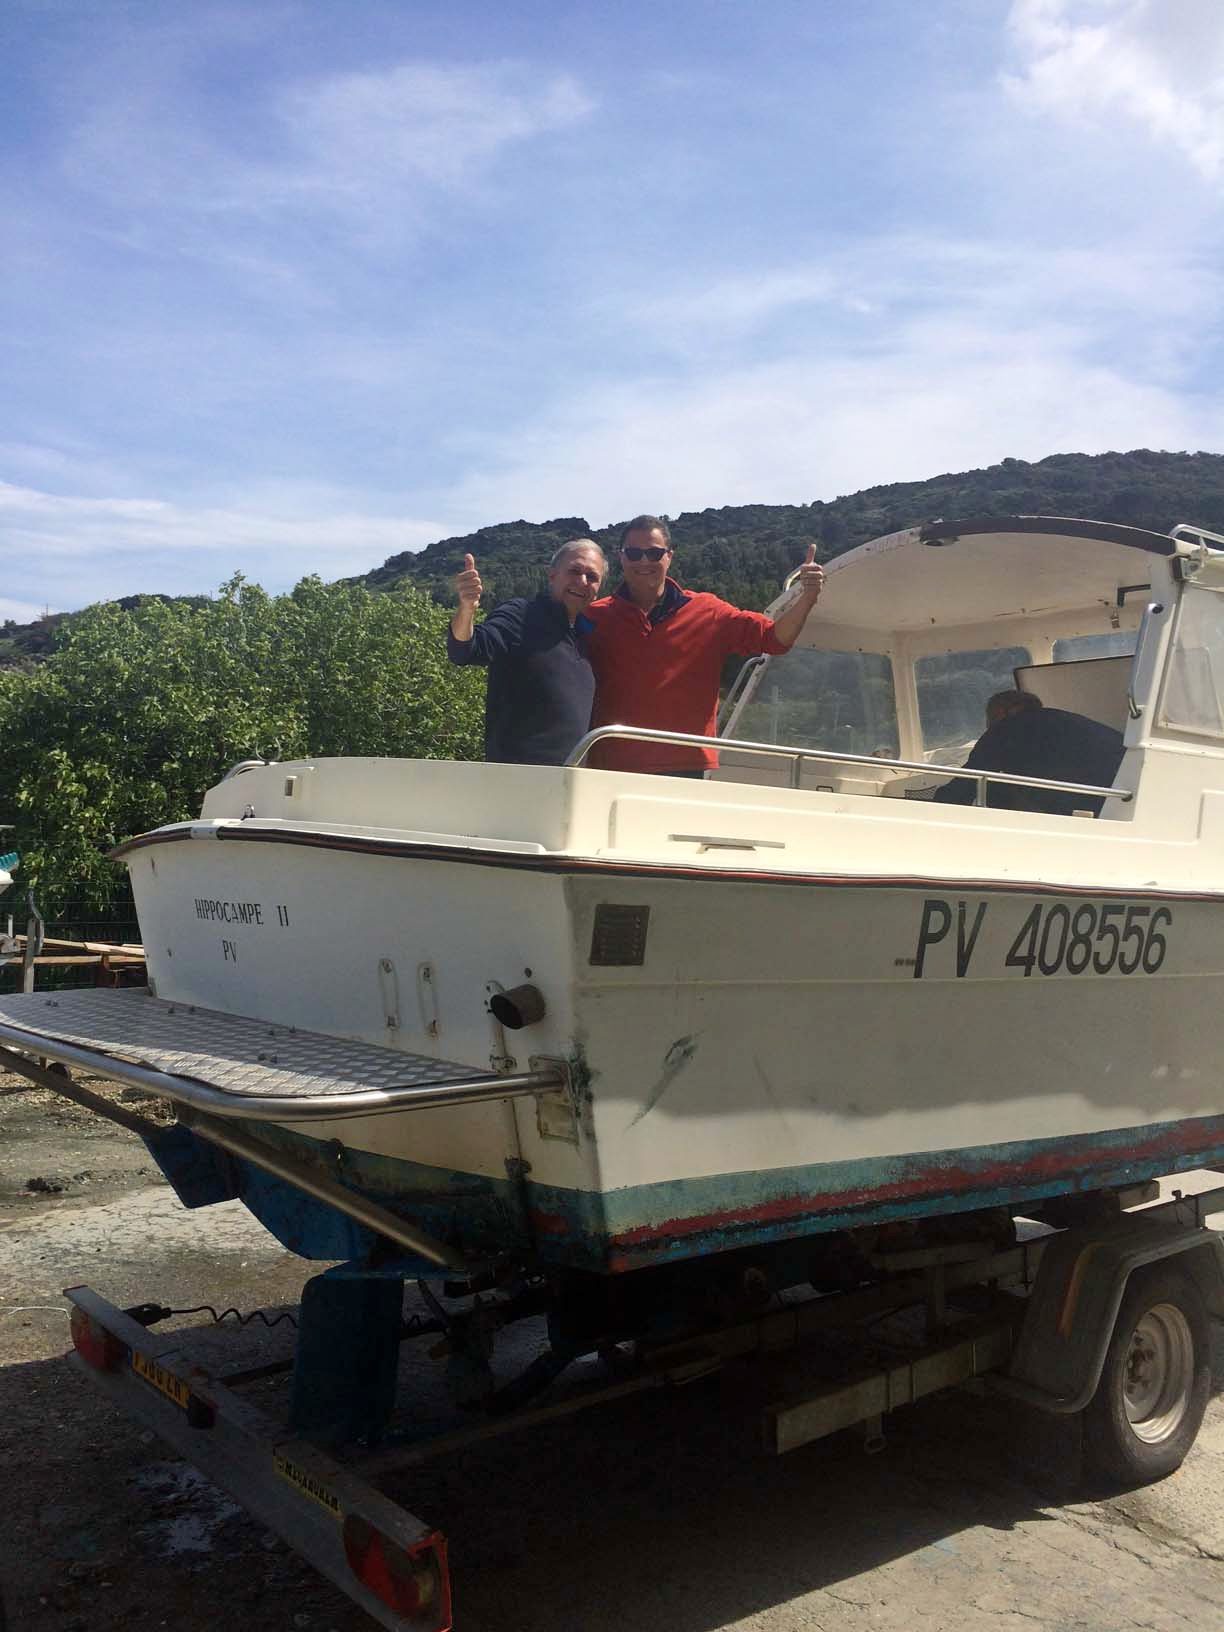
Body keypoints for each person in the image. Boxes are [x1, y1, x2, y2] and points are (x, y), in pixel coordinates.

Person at [583, 515, 826, 775]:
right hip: (611, 768)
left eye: (654, 553)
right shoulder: (593, 618)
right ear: (621, 557)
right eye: (634, 553)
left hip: (685, 766)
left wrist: (807, 597)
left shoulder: (708, 611)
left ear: (669, 556)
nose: (644, 561)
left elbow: (774, 639)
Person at [447, 539, 606, 764]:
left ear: (597, 590)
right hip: (518, 780)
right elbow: (465, 650)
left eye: (592, 577)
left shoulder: (587, 637)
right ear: (552, 575)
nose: (582, 581)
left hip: (571, 783)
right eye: (574, 571)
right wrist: (466, 609)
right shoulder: (520, 615)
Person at [933, 690, 1125, 814]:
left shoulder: (1005, 730)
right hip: (1120, 796)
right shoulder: (1066, 721)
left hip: (1079, 805)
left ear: (1001, 713)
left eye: (989, 718)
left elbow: (968, 780)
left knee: (992, 787)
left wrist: (935, 807)